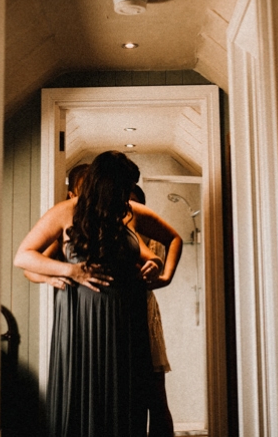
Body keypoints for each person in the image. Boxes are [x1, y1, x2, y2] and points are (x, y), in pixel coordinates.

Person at [14, 151, 162, 437]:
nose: (126, 195)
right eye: (122, 188)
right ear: (106, 184)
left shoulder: (123, 216)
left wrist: (155, 267)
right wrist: (69, 272)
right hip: (81, 321)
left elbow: (148, 255)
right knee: (82, 390)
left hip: (126, 323)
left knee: (126, 397)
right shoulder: (65, 211)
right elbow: (24, 258)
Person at [129, 185, 179, 437]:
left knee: (157, 395)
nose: (129, 206)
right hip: (120, 314)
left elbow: (156, 272)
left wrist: (163, 276)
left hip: (145, 311)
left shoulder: (150, 237)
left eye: (135, 201)